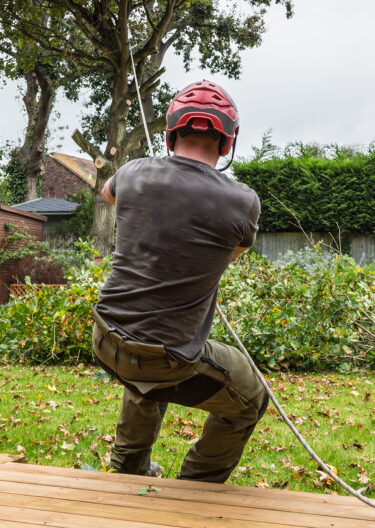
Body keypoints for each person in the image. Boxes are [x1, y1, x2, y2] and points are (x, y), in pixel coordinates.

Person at [91, 80, 267, 483]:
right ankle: (196, 488)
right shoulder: (243, 201)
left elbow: (107, 193)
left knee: (148, 366)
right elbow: (232, 255)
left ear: (171, 133)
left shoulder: (133, 173)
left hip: (105, 340)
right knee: (250, 399)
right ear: (227, 143)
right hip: (166, 358)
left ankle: (129, 467)